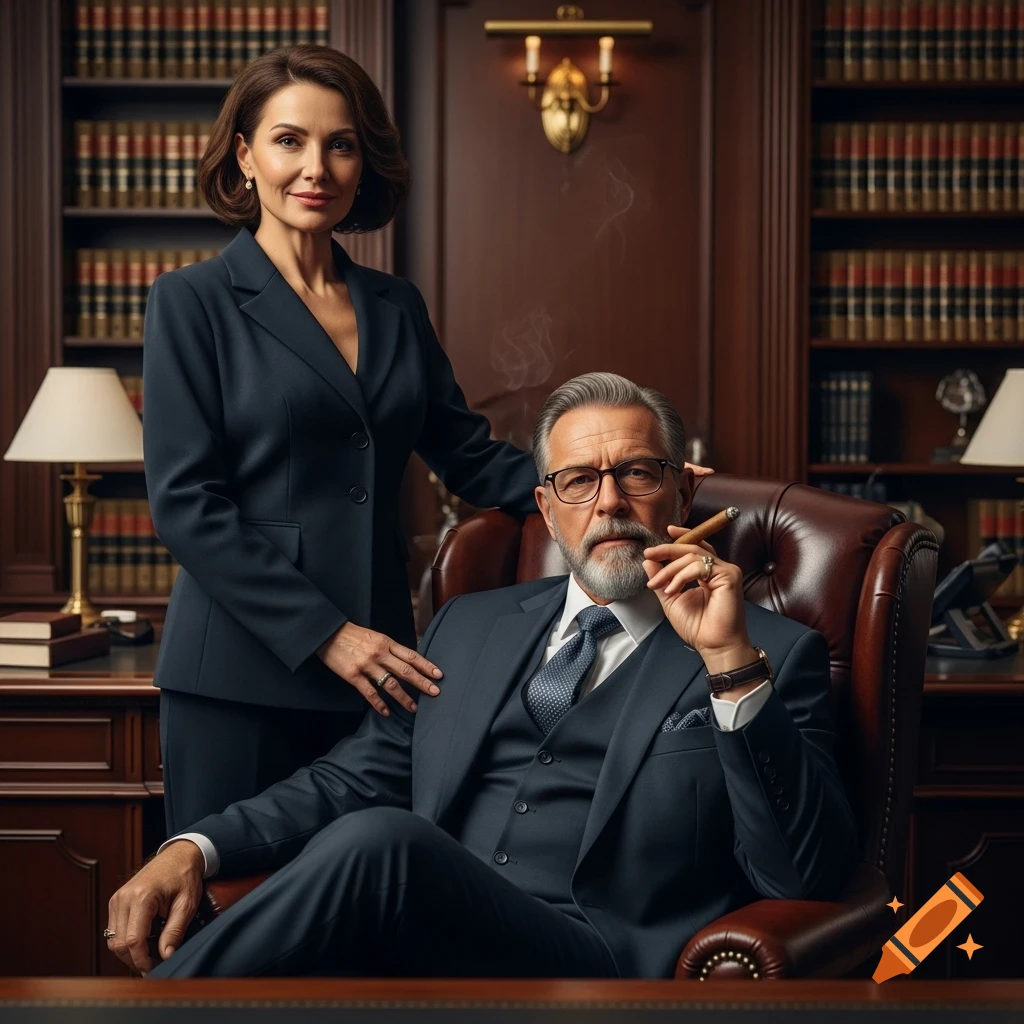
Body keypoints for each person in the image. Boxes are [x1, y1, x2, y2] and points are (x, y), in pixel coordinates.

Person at [110, 372, 859, 979]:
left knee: (383, 843)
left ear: (682, 493)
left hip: (595, 964)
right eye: (577, 481)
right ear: (545, 506)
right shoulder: (470, 625)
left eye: (636, 472)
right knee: (374, 843)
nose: (609, 503)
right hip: (426, 946)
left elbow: (801, 877)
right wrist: (193, 848)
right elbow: (352, 779)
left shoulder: (767, 653)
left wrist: (726, 662)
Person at [143, 45, 543, 836]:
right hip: (242, 673)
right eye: (290, 140)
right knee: (229, 917)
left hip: (380, 670)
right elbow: (186, 505)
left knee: (360, 916)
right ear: (244, 156)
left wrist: (609, 484)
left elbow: (470, 455)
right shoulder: (191, 302)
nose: (316, 166)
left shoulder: (394, 305)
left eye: (342, 143)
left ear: (365, 163)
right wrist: (327, 634)